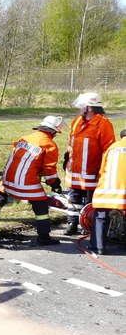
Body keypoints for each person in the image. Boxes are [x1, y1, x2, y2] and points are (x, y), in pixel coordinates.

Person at [0, 116, 65, 246]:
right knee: (41, 204)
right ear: (53, 132)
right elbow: (49, 169)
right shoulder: (50, 144)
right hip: (25, 182)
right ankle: (44, 237)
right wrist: (54, 184)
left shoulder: (25, 138)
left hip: (6, 179)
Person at [62, 92, 115, 235]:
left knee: (90, 200)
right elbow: (72, 142)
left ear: (90, 108)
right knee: (74, 198)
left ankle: (87, 225)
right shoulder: (77, 121)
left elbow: (108, 149)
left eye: (82, 106)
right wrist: (67, 157)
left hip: (92, 170)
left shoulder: (103, 124)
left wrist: (103, 171)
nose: (79, 108)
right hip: (75, 170)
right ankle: (72, 223)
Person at [88, 128, 126, 255]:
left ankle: (98, 247)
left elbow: (102, 169)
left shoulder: (113, 147)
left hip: (106, 189)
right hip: (123, 190)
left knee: (101, 216)